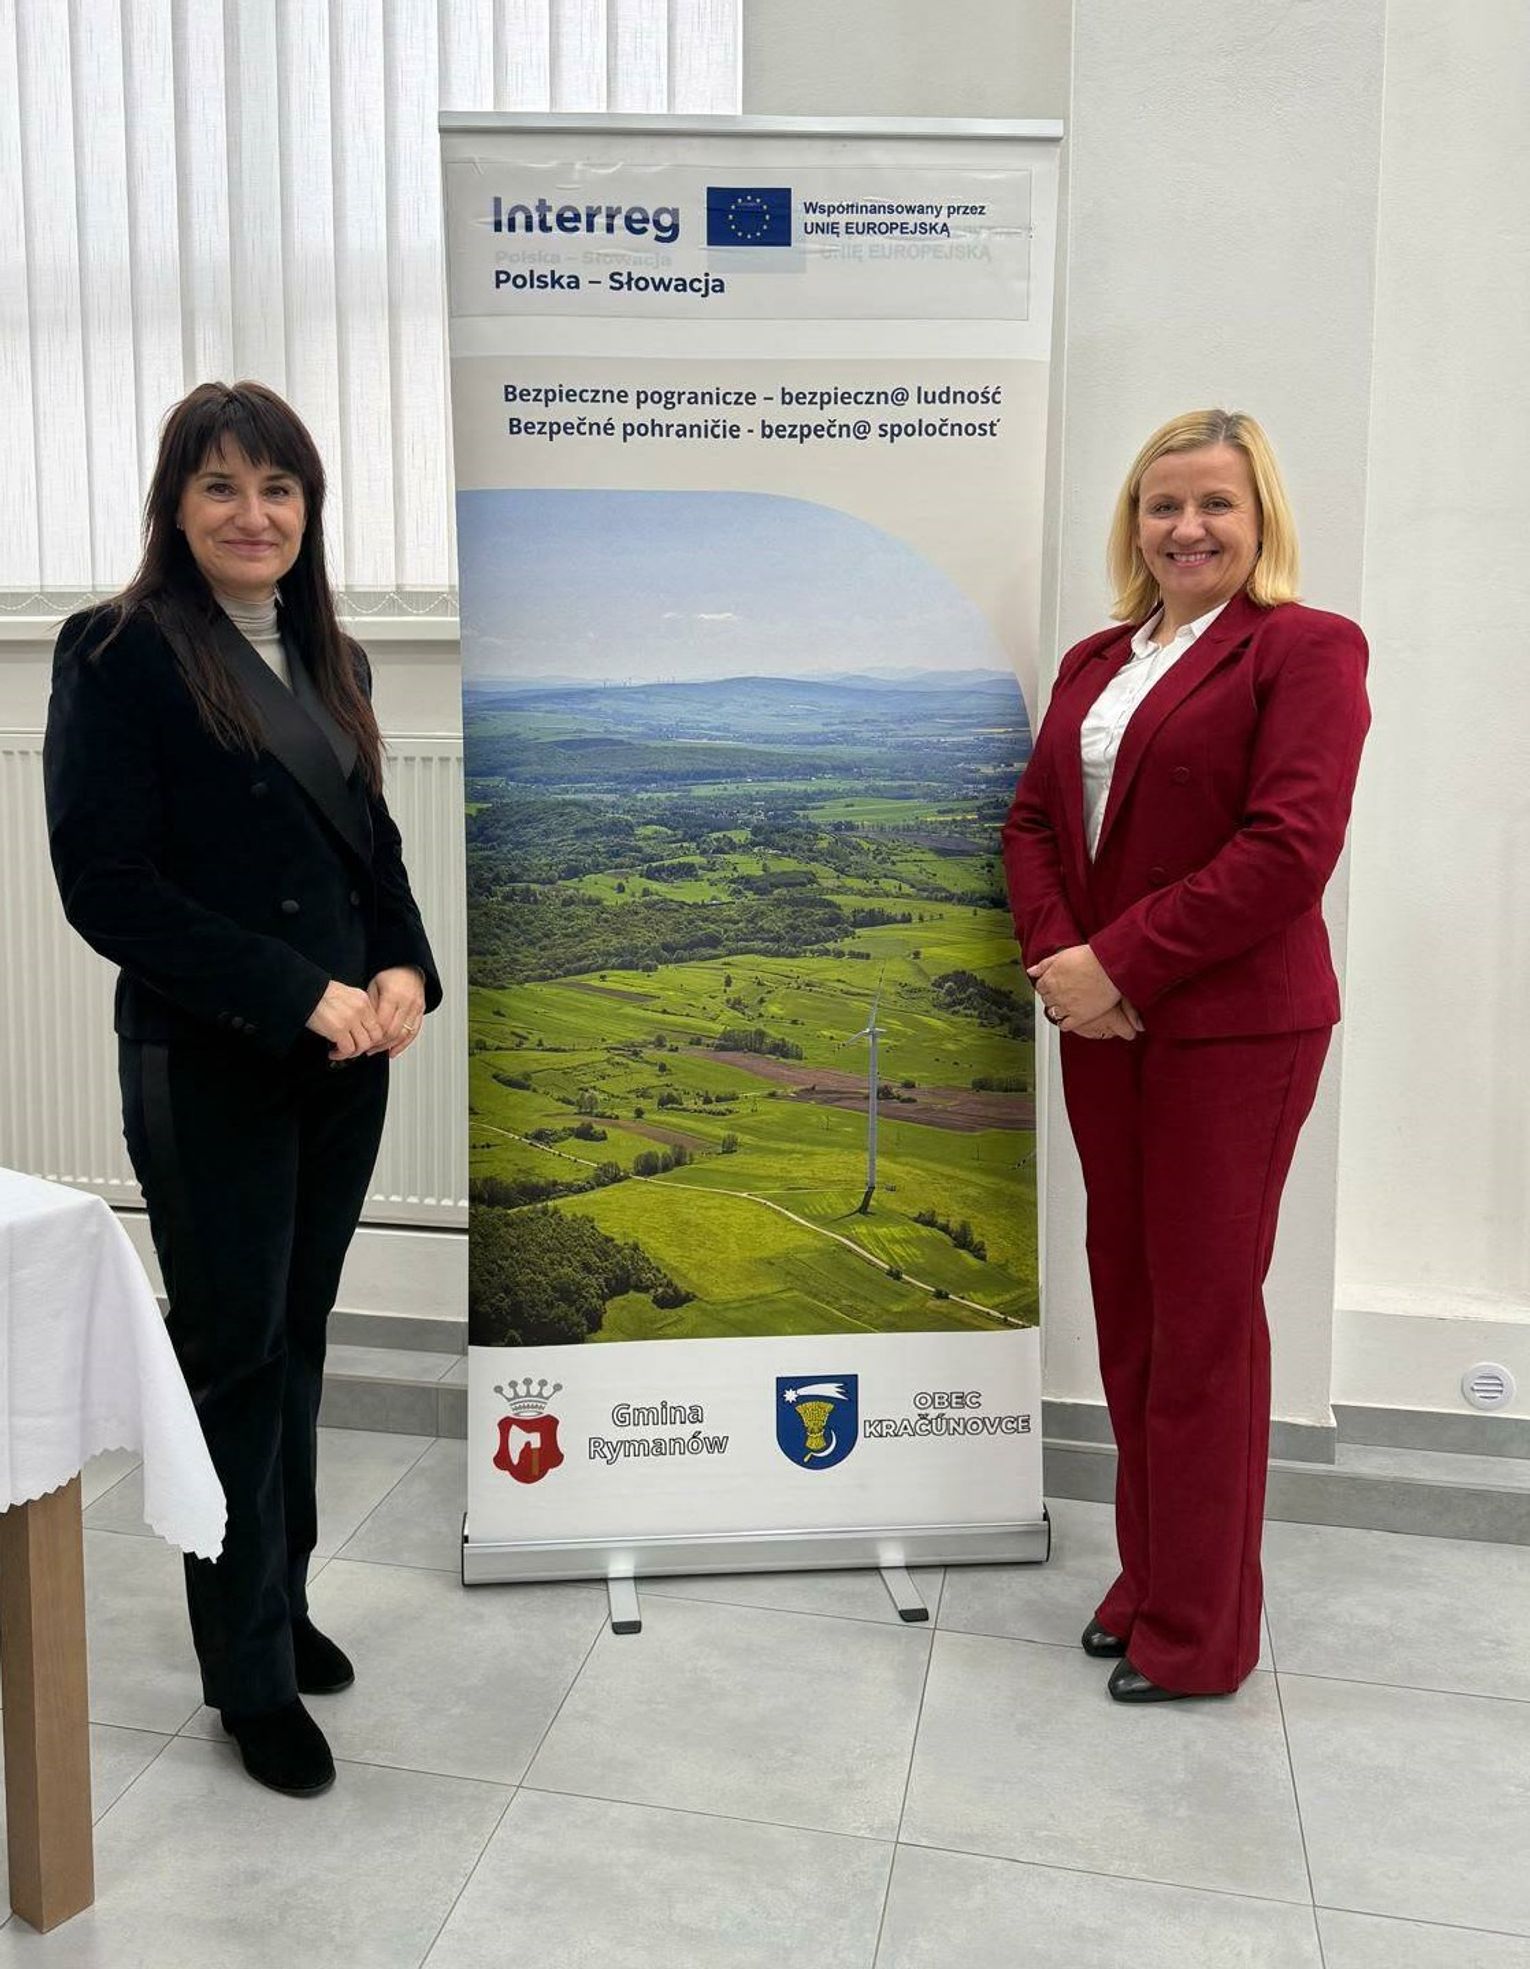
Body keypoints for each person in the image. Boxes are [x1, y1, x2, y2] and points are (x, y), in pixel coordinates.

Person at [44, 381, 441, 1791]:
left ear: (308, 508)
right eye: (220, 485)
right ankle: (246, 1673)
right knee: (236, 1355)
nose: (253, 513)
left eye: (279, 488)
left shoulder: (336, 653)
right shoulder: (116, 650)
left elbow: (373, 851)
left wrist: (401, 968)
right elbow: (106, 885)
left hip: (343, 1058)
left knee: (301, 1337)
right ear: (176, 503)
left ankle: (284, 1595)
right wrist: (294, 990)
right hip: (208, 1055)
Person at [1001, 408, 1369, 1702]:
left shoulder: (1305, 649)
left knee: (1204, 1324)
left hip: (1234, 1032)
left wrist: (1120, 963)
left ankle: (1202, 1631)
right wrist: (1063, 963)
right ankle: (1149, 1575)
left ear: (1260, 518)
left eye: (1215, 503)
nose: (1187, 527)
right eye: (1163, 505)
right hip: (1101, 1027)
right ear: (1135, 524)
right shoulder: (1097, 659)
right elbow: (1034, 823)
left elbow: (1287, 848)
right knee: (1132, 1306)